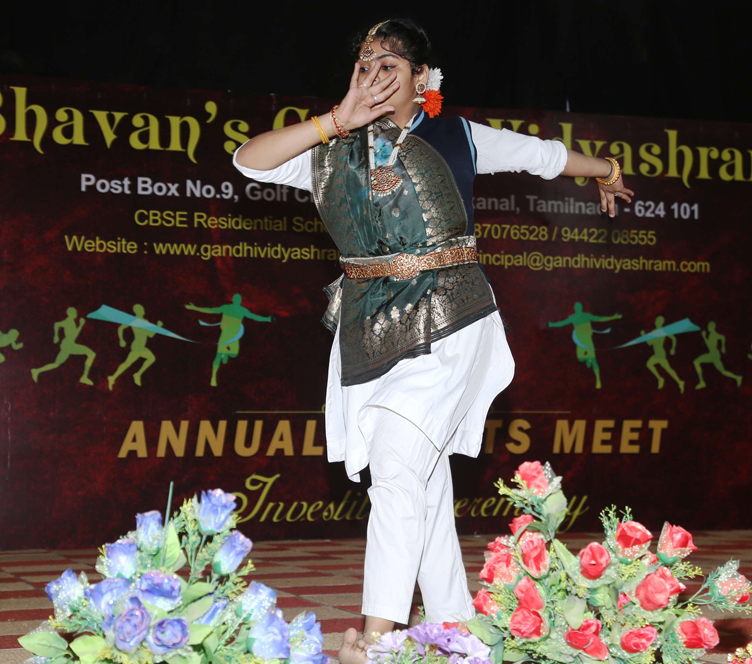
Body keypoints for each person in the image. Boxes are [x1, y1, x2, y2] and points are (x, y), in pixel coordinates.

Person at [233, 19, 633, 660]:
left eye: (390, 65)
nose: (375, 76)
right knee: (422, 481)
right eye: (365, 64)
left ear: (422, 78)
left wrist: (605, 169)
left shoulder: (459, 136)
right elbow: (247, 160)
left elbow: (545, 157)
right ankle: (457, 628)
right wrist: (335, 120)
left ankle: (377, 641)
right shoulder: (330, 149)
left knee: (396, 468)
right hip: (368, 329)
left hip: (451, 320)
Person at [185, 294, 273, 387]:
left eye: (238, 299)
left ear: (239, 301)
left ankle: (226, 354)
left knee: (234, 354)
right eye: (236, 299)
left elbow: (254, 317)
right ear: (234, 300)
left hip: (234, 335)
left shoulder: (241, 310)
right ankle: (213, 377)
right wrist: (195, 308)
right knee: (219, 356)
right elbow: (211, 310)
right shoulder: (228, 308)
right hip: (226, 334)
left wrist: (267, 319)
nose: (237, 301)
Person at [548, 302, 622, 389]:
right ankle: (587, 359)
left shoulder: (586, 316)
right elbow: (562, 323)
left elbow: (599, 319)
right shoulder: (573, 317)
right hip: (580, 342)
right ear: (576, 309)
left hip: (587, 341)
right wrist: (552, 324)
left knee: (594, 360)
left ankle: (598, 380)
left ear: (579, 308)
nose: (577, 309)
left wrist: (613, 317)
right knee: (580, 358)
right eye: (576, 307)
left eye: (577, 307)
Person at [31, 307, 97, 385]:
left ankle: (36, 370)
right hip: (69, 345)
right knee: (91, 354)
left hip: (68, 345)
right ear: (69, 314)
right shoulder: (68, 322)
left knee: (56, 364)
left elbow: (57, 324)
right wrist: (81, 325)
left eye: (75, 312)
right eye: (74, 312)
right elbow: (73, 335)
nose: (76, 314)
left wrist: (56, 335)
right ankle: (84, 377)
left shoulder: (70, 321)